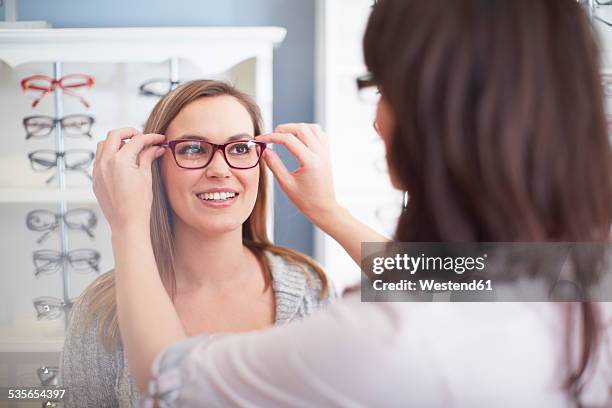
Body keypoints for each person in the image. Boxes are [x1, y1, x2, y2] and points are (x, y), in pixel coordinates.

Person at [92, 0, 612, 406]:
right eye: (191, 149)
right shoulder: (586, 274)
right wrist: (329, 211)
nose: (375, 119)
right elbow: (465, 282)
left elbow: (166, 382)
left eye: (381, 88)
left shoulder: (373, 333)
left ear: (434, 113)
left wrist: (128, 227)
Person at [60, 80, 335, 407]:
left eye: (240, 148)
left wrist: (329, 210)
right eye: (192, 148)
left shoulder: (311, 288)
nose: (220, 169)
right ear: (155, 167)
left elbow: (413, 292)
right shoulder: (102, 310)